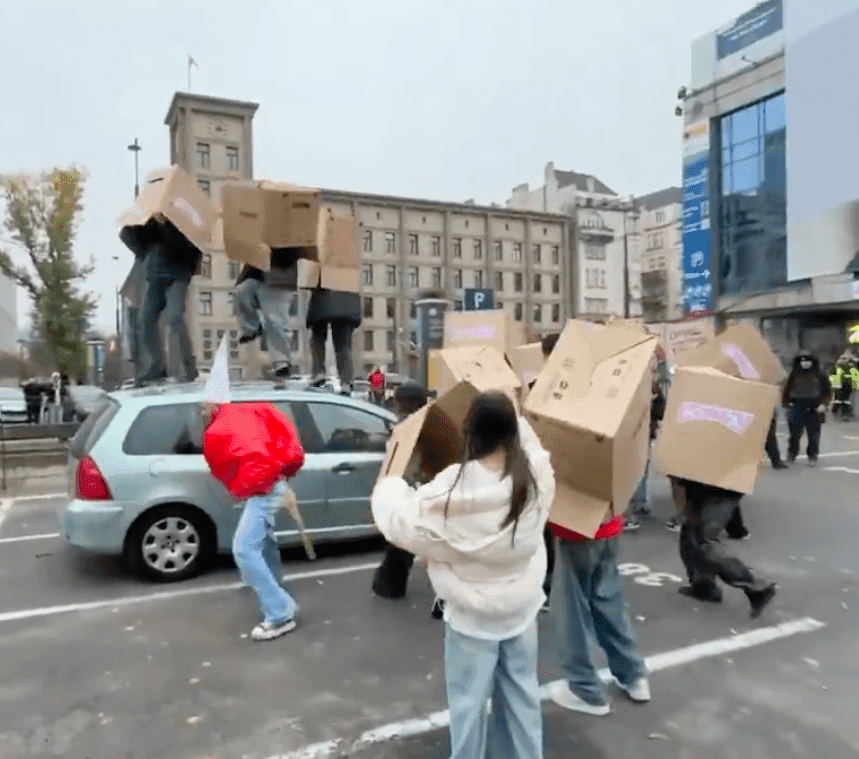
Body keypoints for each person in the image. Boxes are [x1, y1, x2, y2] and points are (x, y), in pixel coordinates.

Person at [372, 392, 555, 759]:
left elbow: (399, 520)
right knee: (522, 697)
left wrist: (390, 482)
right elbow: (532, 440)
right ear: (511, 432)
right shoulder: (536, 476)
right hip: (521, 609)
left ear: (468, 432)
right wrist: (508, 407)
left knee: (468, 706)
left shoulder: (452, 489)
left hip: (472, 618)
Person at [201, 338, 306, 641]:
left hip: (265, 488)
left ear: (211, 405)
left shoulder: (221, 428)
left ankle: (279, 613)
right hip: (273, 484)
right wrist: (279, 477)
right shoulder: (249, 412)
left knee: (244, 549)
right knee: (262, 545)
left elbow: (257, 462)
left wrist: (250, 487)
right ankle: (277, 601)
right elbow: (282, 447)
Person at [549, 508, 651, 716]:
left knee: (572, 611)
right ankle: (633, 675)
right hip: (609, 523)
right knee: (608, 601)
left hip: (576, 526)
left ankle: (585, 690)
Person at [670, 476, 777, 617]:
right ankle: (703, 586)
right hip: (704, 481)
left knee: (703, 541)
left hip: (719, 483)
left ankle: (755, 586)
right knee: (690, 534)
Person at [371, 382, 431, 601]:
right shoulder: (426, 424)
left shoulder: (408, 429)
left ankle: (390, 586)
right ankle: (388, 584)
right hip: (420, 490)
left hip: (408, 492)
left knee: (401, 543)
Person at [132, 222, 200, 386]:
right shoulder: (150, 222)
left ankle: (188, 367)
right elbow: (140, 244)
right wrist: (132, 228)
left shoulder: (180, 221)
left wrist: (165, 226)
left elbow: (183, 247)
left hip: (177, 275)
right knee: (145, 319)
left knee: (174, 317)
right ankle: (155, 366)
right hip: (156, 277)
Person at [233, 250, 303, 379]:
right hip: (254, 272)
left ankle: (282, 364)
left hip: (280, 276)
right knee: (240, 293)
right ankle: (251, 328)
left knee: (274, 321)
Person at [624, 363, 667, 533]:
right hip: (645, 433)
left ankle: (630, 514)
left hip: (630, 434)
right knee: (641, 469)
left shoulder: (626, 386)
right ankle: (641, 503)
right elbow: (661, 410)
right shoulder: (651, 385)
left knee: (629, 472)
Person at [306, 287, 361, 394]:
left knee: (318, 336)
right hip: (346, 297)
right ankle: (346, 381)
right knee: (343, 343)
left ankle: (318, 373)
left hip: (322, 294)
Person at [783, 351, 830, 466]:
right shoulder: (794, 374)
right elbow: (787, 389)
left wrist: (824, 404)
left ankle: (812, 456)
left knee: (813, 434)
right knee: (794, 433)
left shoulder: (819, 375)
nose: (805, 363)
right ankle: (792, 454)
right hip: (797, 406)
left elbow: (827, 392)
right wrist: (786, 403)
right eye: (802, 361)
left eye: (807, 360)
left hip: (815, 407)